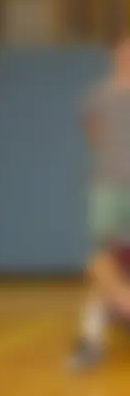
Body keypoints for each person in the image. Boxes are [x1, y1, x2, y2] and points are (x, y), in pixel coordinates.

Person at [71, 33, 130, 370]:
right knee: (103, 260)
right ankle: (90, 339)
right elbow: (93, 133)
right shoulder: (100, 95)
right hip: (109, 188)